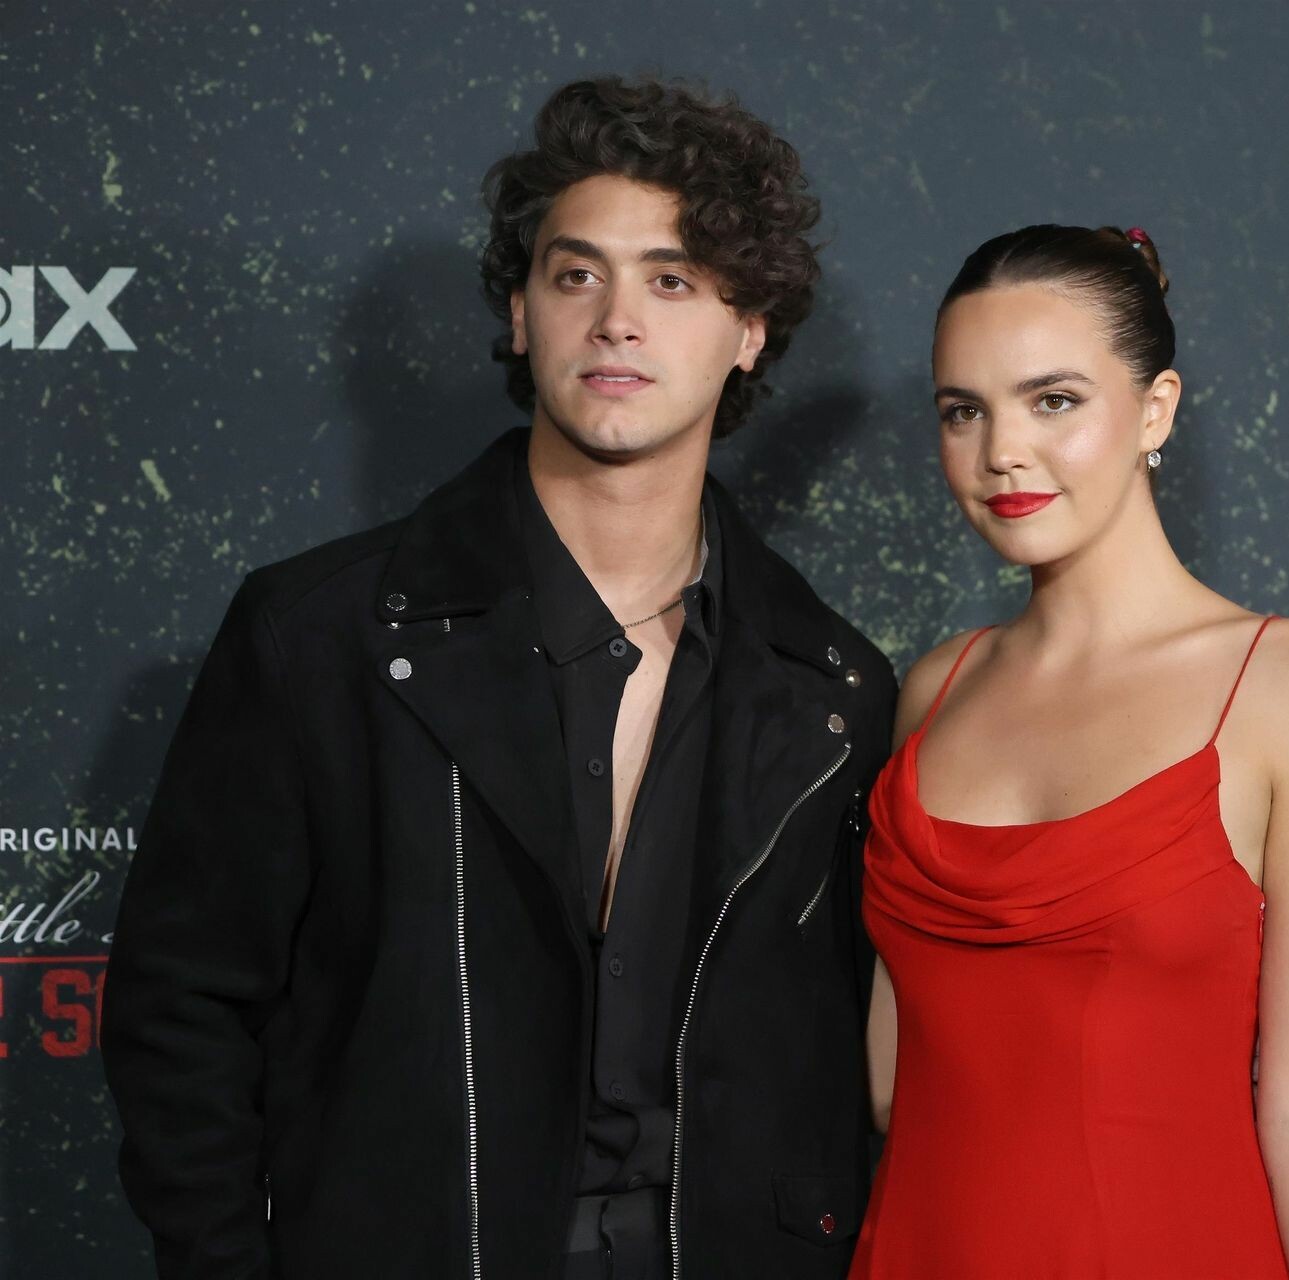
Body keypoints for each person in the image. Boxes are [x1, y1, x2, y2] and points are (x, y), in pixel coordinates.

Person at [101, 76, 895, 1280]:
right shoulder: (320, 636)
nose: (616, 320)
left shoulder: (834, 687)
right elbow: (181, 1012)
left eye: (672, 281)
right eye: (576, 275)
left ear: (750, 331)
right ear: (521, 314)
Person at [851, 225, 1289, 1279]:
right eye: (963, 411)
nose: (1003, 451)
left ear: (1156, 409)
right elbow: (891, 1075)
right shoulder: (934, 690)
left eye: (1054, 401)